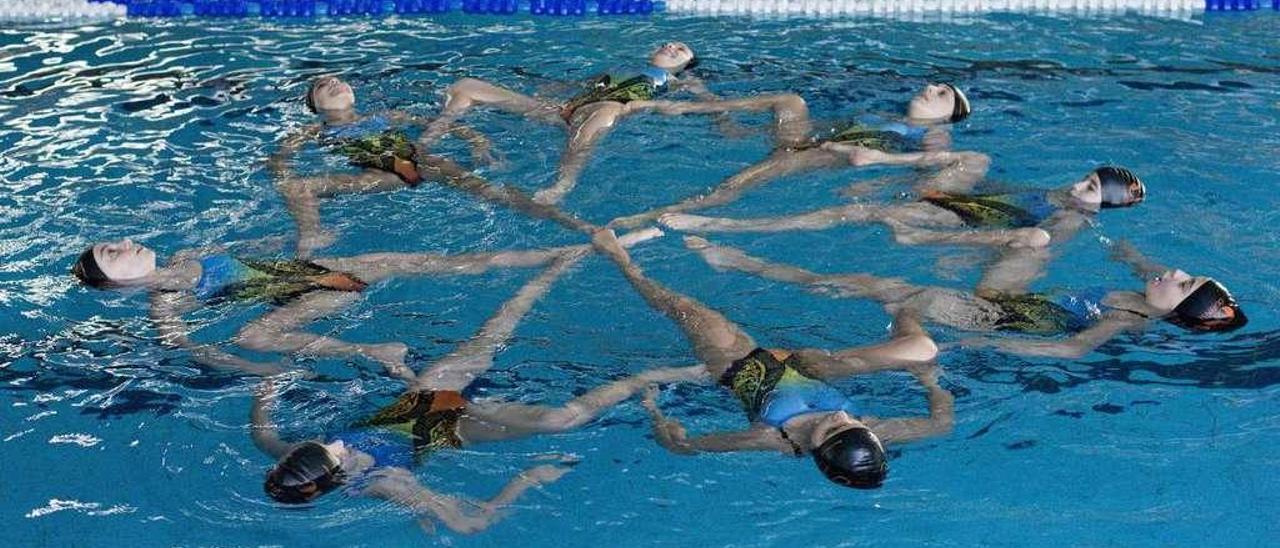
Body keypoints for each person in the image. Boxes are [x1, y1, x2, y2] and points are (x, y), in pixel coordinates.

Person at [251, 242, 702, 533]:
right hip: (457, 428)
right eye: (335, 451)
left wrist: (266, 389)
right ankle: (653, 377)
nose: (336, 442)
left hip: (420, 398)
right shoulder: (382, 483)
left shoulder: (300, 454)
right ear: (334, 476)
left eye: (324, 443)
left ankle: (559, 265)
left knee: (497, 327)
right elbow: (473, 523)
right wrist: (527, 479)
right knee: (558, 420)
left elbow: (265, 436)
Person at [590, 229, 953, 489]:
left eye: (834, 427)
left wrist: (653, 407)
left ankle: (618, 257)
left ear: (818, 449)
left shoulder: (774, 438)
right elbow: (939, 424)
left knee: (682, 308)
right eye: (854, 423)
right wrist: (929, 380)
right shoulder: (872, 429)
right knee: (919, 349)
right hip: (812, 362)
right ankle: (906, 310)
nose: (841, 416)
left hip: (741, 362)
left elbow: (683, 444)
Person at [69, 229, 658, 378]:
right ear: (112, 283)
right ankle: (598, 246)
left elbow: (249, 259)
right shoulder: (165, 298)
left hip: (322, 277)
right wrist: (254, 369)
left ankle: (586, 248)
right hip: (321, 285)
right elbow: (185, 347)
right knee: (253, 337)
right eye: (113, 253)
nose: (125, 243)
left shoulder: (181, 259)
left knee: (465, 265)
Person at [680, 236, 1247, 359]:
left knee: (880, 287)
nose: (1174, 270)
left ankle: (744, 263)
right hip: (1013, 300)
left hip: (995, 316)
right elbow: (1151, 266)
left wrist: (977, 342)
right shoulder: (1146, 294)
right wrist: (1127, 253)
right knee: (1037, 242)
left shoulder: (1129, 318)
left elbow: (1070, 353)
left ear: (1177, 308)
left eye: (1184, 280)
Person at [609, 82, 976, 230]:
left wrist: (875, 168)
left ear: (948, 115)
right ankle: (678, 106)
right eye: (935, 85)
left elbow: (933, 165)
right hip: (804, 141)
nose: (930, 88)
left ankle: (648, 217)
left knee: (731, 187)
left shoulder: (934, 133)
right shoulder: (886, 117)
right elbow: (827, 127)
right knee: (791, 101)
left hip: (810, 158)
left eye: (942, 94)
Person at [418, 42, 725, 205]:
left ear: (686, 65)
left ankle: (562, 184)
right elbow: (572, 87)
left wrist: (724, 122)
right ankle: (428, 140)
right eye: (668, 44)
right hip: (565, 110)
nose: (670, 48)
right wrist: (544, 97)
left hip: (607, 109)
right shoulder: (618, 67)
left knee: (605, 110)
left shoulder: (679, 80)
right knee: (466, 84)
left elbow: (711, 103)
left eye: (680, 50)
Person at [656, 165, 1146, 253]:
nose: (1083, 186)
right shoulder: (1058, 195)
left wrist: (936, 238)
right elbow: (1004, 195)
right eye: (1089, 178)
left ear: (1104, 207)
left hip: (956, 221)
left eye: (1094, 190)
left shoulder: (1068, 220)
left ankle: (725, 225)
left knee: (859, 213)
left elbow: (1026, 241)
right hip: (956, 208)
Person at [270, 75, 497, 256]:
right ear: (316, 107)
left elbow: (443, 124)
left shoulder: (384, 116)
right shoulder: (314, 130)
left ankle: (523, 205)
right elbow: (279, 159)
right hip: (378, 178)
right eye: (322, 85)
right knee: (298, 187)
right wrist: (285, 177)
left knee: (485, 189)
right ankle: (310, 239)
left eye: (339, 80)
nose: (334, 82)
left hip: (422, 164)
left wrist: (478, 141)